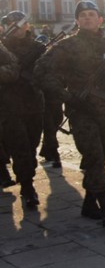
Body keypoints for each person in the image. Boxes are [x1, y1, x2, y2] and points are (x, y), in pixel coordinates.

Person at [35, 1, 105, 225]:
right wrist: (67, 96)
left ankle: (89, 204)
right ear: (77, 21)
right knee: (95, 156)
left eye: (92, 14)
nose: (88, 18)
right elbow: (41, 71)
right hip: (82, 110)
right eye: (83, 15)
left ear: (99, 20)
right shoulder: (67, 46)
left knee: (97, 156)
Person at [0, 12, 46, 208]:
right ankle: (28, 187)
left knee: (32, 145)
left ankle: (27, 175)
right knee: (20, 147)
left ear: (27, 26)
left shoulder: (38, 48)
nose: (17, 27)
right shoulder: (3, 48)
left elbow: (47, 71)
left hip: (34, 103)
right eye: (12, 24)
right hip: (8, 105)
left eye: (20, 24)